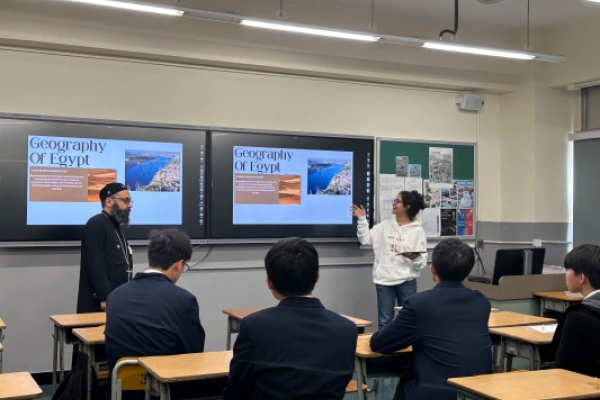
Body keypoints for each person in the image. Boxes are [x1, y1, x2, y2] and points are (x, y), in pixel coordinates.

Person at [222, 237, 357, 400]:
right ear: (317, 276)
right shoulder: (347, 330)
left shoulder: (254, 327)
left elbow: (236, 391)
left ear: (269, 282)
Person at [370, 238, 492, 400]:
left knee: (406, 384)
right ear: (468, 270)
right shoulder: (482, 302)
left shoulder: (419, 304)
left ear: (432, 269)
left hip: (438, 393)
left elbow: (380, 343)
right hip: (478, 393)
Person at [105, 229, 205, 397]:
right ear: (179, 264)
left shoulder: (115, 296)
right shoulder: (184, 300)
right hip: (165, 392)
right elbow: (193, 356)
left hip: (120, 391)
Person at [351, 190, 427, 329]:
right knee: (385, 321)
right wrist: (362, 219)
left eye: (397, 201)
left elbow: (421, 263)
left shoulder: (417, 231)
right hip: (384, 280)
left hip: (407, 281)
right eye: (394, 200)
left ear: (407, 207)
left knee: (409, 320)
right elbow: (365, 240)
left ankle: (406, 344)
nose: (393, 203)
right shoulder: (385, 226)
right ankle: (385, 344)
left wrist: (415, 258)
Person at [77, 182, 133, 313]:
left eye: (130, 201)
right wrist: (105, 297)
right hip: (101, 303)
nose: (129, 205)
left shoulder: (115, 226)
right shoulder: (96, 224)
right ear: (109, 201)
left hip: (118, 298)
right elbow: (95, 264)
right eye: (125, 200)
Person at [552, 244, 600, 377]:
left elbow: (564, 367)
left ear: (581, 278)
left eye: (568, 269)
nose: (565, 274)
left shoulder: (579, 317)